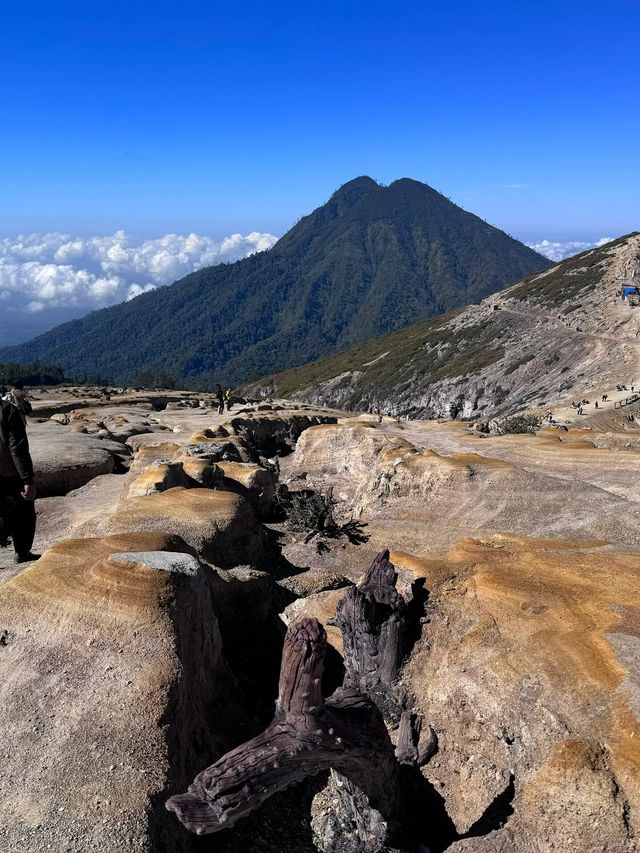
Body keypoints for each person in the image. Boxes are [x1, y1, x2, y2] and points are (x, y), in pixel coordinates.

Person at [0, 396, 38, 563]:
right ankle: (22, 552)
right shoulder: (7, 410)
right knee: (24, 513)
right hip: (9, 473)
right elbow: (17, 448)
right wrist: (27, 480)